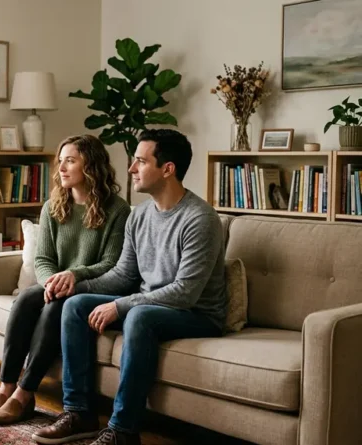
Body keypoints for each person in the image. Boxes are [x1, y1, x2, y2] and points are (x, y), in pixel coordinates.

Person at [32, 129, 227, 445]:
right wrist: (77, 283)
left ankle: (123, 431)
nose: (132, 169)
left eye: (140, 161)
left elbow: (185, 291)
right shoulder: (139, 216)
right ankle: (79, 411)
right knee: (75, 306)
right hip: (153, 305)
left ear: (167, 169)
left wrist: (121, 305)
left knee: (139, 316)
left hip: (196, 314)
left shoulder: (199, 219)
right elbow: (123, 276)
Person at [0, 134, 131, 426]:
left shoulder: (117, 210)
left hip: (90, 289)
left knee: (54, 308)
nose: (61, 168)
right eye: (60, 161)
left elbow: (112, 264)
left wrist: (74, 275)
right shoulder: (53, 205)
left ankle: (25, 394)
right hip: (59, 285)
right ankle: (7, 386)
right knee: (25, 298)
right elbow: (42, 259)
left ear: (91, 165)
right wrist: (52, 282)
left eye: (70, 161)